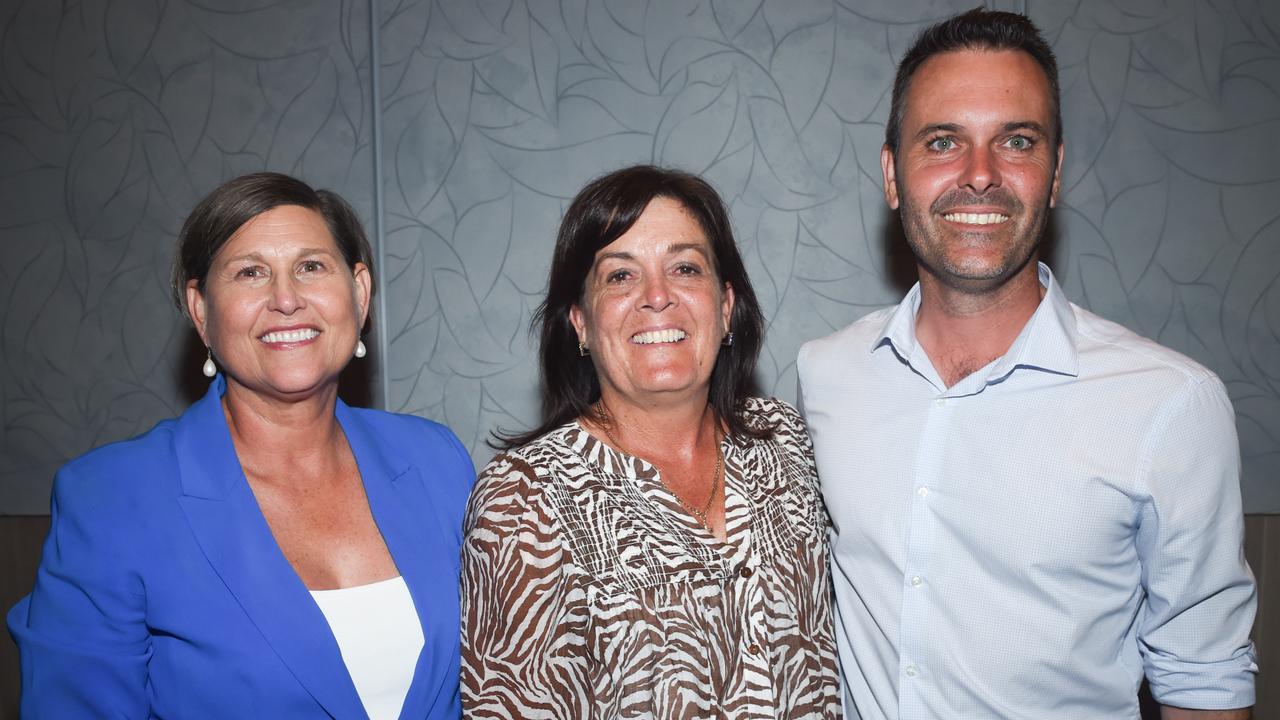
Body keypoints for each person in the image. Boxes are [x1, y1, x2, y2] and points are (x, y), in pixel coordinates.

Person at [797, 9, 1257, 720]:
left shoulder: (1172, 405)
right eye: (943, 141)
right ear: (892, 176)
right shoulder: (826, 375)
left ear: (1055, 172)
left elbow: (1204, 682)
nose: (980, 176)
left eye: (1016, 141)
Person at [8, 172, 474, 718]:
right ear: (201, 311)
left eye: (311, 267)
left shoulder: (437, 460)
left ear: (360, 292)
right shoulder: (111, 498)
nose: (285, 299)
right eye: (251, 272)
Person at [461, 165, 839, 718]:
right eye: (620, 276)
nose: (657, 297)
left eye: (685, 268)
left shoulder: (785, 445)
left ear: (726, 305)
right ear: (581, 323)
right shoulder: (524, 499)